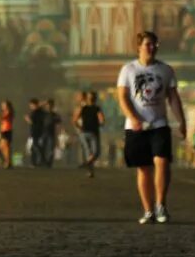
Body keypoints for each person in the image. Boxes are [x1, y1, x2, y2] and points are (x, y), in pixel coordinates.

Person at [117, 31, 186, 224]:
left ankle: (161, 205)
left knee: (162, 162)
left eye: (154, 44)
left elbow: (173, 97)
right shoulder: (128, 70)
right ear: (139, 46)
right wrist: (133, 117)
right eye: (147, 44)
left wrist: (181, 121)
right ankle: (148, 210)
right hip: (136, 127)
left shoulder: (165, 70)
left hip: (159, 124)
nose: (151, 48)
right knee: (144, 169)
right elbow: (122, 97)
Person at [74, 91, 105, 178]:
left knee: (90, 152)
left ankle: (88, 168)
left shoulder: (85, 108)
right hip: (92, 132)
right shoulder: (93, 108)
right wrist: (101, 124)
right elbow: (102, 120)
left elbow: (75, 120)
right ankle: (88, 167)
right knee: (95, 152)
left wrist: (79, 127)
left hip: (86, 132)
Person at [0, 100, 14, 168]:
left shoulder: (9, 112)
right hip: (3, 130)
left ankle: (7, 162)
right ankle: (7, 161)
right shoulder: (4, 112)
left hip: (7, 130)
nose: (2, 106)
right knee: (2, 147)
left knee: (6, 147)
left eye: (3, 105)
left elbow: (2, 119)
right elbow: (1, 121)